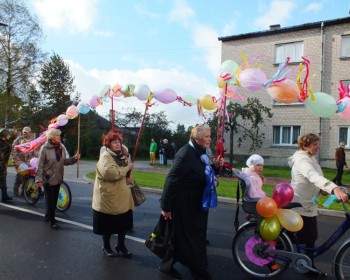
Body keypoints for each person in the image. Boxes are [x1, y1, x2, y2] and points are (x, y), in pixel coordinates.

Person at [160, 124, 224, 280]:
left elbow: (205, 172)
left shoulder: (203, 152)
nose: (210, 139)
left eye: (210, 135)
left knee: (184, 239)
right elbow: (171, 181)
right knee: (191, 240)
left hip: (198, 203)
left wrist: (216, 168)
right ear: (197, 138)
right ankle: (200, 271)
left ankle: (166, 266)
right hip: (184, 206)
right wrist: (166, 207)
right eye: (207, 136)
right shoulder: (185, 155)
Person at [288, 133, 348, 268]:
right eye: (315, 144)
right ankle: (272, 255)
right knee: (302, 238)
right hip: (301, 205)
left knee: (309, 239)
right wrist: (334, 189)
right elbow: (313, 176)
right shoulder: (302, 160)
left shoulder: (310, 158)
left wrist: (323, 190)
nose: (318, 147)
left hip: (308, 204)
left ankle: (308, 265)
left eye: (317, 144)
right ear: (305, 146)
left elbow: (314, 180)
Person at [92, 131, 135, 258]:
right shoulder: (106, 156)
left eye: (119, 142)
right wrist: (127, 169)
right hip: (109, 196)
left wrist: (129, 176)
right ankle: (106, 246)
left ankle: (120, 245)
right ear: (108, 144)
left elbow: (125, 172)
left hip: (122, 196)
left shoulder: (122, 155)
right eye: (114, 142)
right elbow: (110, 173)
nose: (117, 144)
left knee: (124, 223)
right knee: (108, 224)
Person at [35, 128, 80, 229]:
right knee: (51, 201)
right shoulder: (45, 148)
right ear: (51, 137)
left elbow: (64, 162)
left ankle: (48, 216)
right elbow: (40, 165)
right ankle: (52, 221)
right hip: (48, 179)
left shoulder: (60, 147)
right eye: (57, 135)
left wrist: (74, 158)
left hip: (58, 178)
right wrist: (38, 179)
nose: (59, 137)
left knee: (53, 200)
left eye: (59, 136)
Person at [12, 126, 36, 196]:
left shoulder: (32, 140)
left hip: (29, 160)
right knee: (20, 175)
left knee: (28, 177)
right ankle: (16, 189)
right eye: (23, 132)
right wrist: (15, 160)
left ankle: (24, 191)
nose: (24, 133)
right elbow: (14, 149)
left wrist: (36, 158)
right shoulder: (19, 139)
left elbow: (35, 150)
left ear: (30, 133)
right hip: (20, 159)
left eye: (26, 132)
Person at [0, 129, 13, 202]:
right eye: (8, 134)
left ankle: (4, 196)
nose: (9, 136)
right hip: (2, 164)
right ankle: (4, 196)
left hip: (3, 164)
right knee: (2, 179)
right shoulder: (3, 144)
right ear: (4, 135)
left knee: (3, 180)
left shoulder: (5, 143)